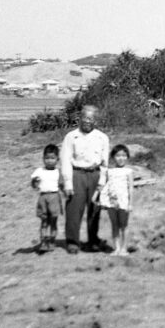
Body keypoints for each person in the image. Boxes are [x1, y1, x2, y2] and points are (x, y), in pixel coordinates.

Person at [60, 104, 110, 253]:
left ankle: (93, 240)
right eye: (85, 118)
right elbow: (65, 160)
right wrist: (68, 182)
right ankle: (72, 241)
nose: (87, 121)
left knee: (95, 209)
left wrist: (102, 181)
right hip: (77, 174)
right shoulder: (71, 136)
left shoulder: (102, 138)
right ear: (79, 118)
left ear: (96, 121)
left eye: (91, 118)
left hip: (95, 174)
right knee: (74, 209)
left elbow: (105, 162)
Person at [98, 144, 134, 256]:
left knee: (124, 225)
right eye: (118, 155)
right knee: (114, 224)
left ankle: (124, 248)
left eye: (124, 155)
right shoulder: (110, 171)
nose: (121, 158)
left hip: (123, 200)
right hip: (111, 201)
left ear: (127, 157)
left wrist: (130, 203)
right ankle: (116, 248)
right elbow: (105, 186)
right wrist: (102, 200)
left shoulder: (128, 171)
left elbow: (131, 188)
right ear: (113, 157)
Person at [30, 143, 63, 254]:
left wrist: (66, 193)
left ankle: (52, 241)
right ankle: (44, 242)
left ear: (57, 159)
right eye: (47, 158)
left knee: (53, 221)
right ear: (43, 158)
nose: (49, 160)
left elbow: (62, 185)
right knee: (44, 221)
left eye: (52, 158)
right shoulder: (39, 171)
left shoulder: (58, 172)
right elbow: (34, 184)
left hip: (54, 197)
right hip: (43, 198)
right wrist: (34, 182)